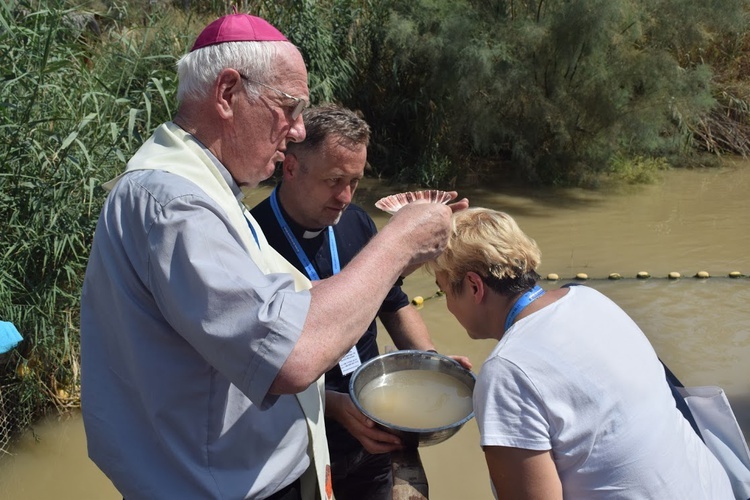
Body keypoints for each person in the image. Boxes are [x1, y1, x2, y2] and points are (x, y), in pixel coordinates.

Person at [79, 13, 466, 500]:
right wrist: (398, 243)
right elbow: (289, 356)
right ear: (227, 93)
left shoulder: (203, 192)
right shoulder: (176, 204)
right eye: (288, 107)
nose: (298, 130)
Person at [425, 208, 733, 499]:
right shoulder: (590, 299)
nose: (448, 306)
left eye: (443, 290)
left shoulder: (506, 371)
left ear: (475, 287)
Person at [251, 104, 471, 500]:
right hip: (300, 439)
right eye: (334, 180)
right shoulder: (252, 240)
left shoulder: (356, 222)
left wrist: (431, 364)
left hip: (374, 421)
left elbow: (393, 303)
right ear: (291, 167)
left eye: (355, 181)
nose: (346, 197)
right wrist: (334, 405)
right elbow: (252, 364)